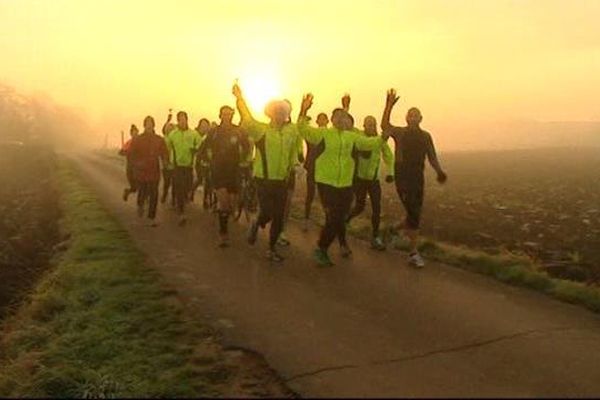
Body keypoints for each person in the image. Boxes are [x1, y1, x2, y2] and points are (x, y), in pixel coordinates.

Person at [297, 94, 386, 266]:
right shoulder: (323, 134)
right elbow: (303, 129)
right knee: (334, 217)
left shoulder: (352, 137)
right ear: (331, 120)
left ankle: (326, 247)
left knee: (340, 217)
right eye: (337, 117)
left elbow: (369, 144)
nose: (340, 120)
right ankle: (321, 249)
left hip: (346, 184)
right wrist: (304, 109)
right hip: (326, 182)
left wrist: (382, 138)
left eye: (343, 117)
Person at [233, 83, 301, 263]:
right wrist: (239, 98)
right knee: (268, 212)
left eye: (282, 113)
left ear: (286, 115)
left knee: (279, 216)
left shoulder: (290, 132)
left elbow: (295, 146)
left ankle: (270, 248)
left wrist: (293, 164)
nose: (279, 116)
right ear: (270, 114)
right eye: (276, 112)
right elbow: (246, 118)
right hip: (263, 179)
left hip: (282, 180)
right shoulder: (261, 130)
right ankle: (257, 223)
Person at [381, 88, 448, 268]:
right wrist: (388, 105)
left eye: (416, 114)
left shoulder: (426, 136)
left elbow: (432, 156)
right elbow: (385, 126)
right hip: (402, 177)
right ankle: (413, 253)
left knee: (414, 214)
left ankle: (393, 231)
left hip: (418, 177)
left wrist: (439, 171)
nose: (413, 117)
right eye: (410, 114)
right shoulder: (400, 133)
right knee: (413, 213)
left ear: (421, 118)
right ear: (406, 118)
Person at [200, 106, 249, 247]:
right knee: (224, 203)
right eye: (224, 114)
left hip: (234, 171)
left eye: (229, 114)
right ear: (220, 115)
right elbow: (203, 148)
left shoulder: (238, 131)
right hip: (218, 171)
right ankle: (223, 234)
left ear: (232, 115)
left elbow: (247, 146)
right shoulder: (214, 132)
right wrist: (207, 161)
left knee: (231, 206)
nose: (227, 116)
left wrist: (245, 160)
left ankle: (226, 218)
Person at [346, 116, 394, 250]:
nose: (371, 127)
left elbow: (389, 156)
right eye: (368, 125)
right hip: (359, 179)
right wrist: (345, 108)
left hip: (373, 180)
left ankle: (375, 237)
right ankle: (345, 220)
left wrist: (390, 173)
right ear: (364, 126)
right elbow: (348, 126)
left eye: (373, 125)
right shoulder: (358, 136)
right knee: (360, 206)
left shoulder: (380, 140)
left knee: (376, 208)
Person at [129, 116, 169, 226]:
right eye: (147, 123)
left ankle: (152, 217)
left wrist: (165, 161)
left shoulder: (159, 139)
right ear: (144, 125)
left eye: (151, 123)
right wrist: (135, 165)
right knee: (142, 191)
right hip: (141, 171)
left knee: (154, 193)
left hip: (154, 170)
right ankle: (140, 205)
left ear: (154, 125)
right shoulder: (138, 139)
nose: (149, 125)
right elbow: (132, 154)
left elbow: (164, 152)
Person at [164, 111, 202, 226]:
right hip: (176, 166)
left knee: (187, 188)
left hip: (189, 166)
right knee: (179, 188)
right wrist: (167, 161)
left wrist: (195, 150)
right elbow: (167, 148)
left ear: (187, 119)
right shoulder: (173, 134)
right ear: (178, 120)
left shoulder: (193, 134)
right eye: (180, 119)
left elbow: (201, 145)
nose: (182, 121)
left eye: (184, 119)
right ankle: (181, 213)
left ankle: (183, 202)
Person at [302, 112, 329, 231]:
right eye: (320, 119)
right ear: (317, 122)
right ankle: (306, 219)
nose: (322, 121)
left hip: (325, 169)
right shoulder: (312, 135)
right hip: (312, 167)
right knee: (310, 195)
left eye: (324, 119)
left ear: (327, 122)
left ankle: (326, 220)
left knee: (326, 197)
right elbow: (302, 130)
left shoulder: (330, 136)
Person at [193, 118, 212, 203]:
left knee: (209, 181)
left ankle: (206, 199)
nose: (204, 127)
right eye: (203, 126)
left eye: (206, 125)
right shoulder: (197, 135)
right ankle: (192, 191)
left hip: (211, 161)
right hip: (200, 161)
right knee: (200, 179)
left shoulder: (212, 135)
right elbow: (200, 150)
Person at [161, 110, 176, 206]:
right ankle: (165, 194)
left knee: (175, 183)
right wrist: (168, 119)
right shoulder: (163, 139)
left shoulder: (175, 137)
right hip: (166, 164)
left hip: (175, 163)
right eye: (168, 128)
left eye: (171, 128)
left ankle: (174, 199)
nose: (169, 129)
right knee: (167, 182)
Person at [119, 124, 139, 201]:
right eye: (133, 133)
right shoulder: (128, 143)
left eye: (136, 133)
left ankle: (142, 201)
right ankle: (127, 192)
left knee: (142, 186)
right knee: (134, 188)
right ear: (131, 134)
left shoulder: (141, 142)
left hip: (139, 168)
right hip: (130, 168)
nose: (135, 135)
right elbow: (120, 152)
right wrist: (127, 152)